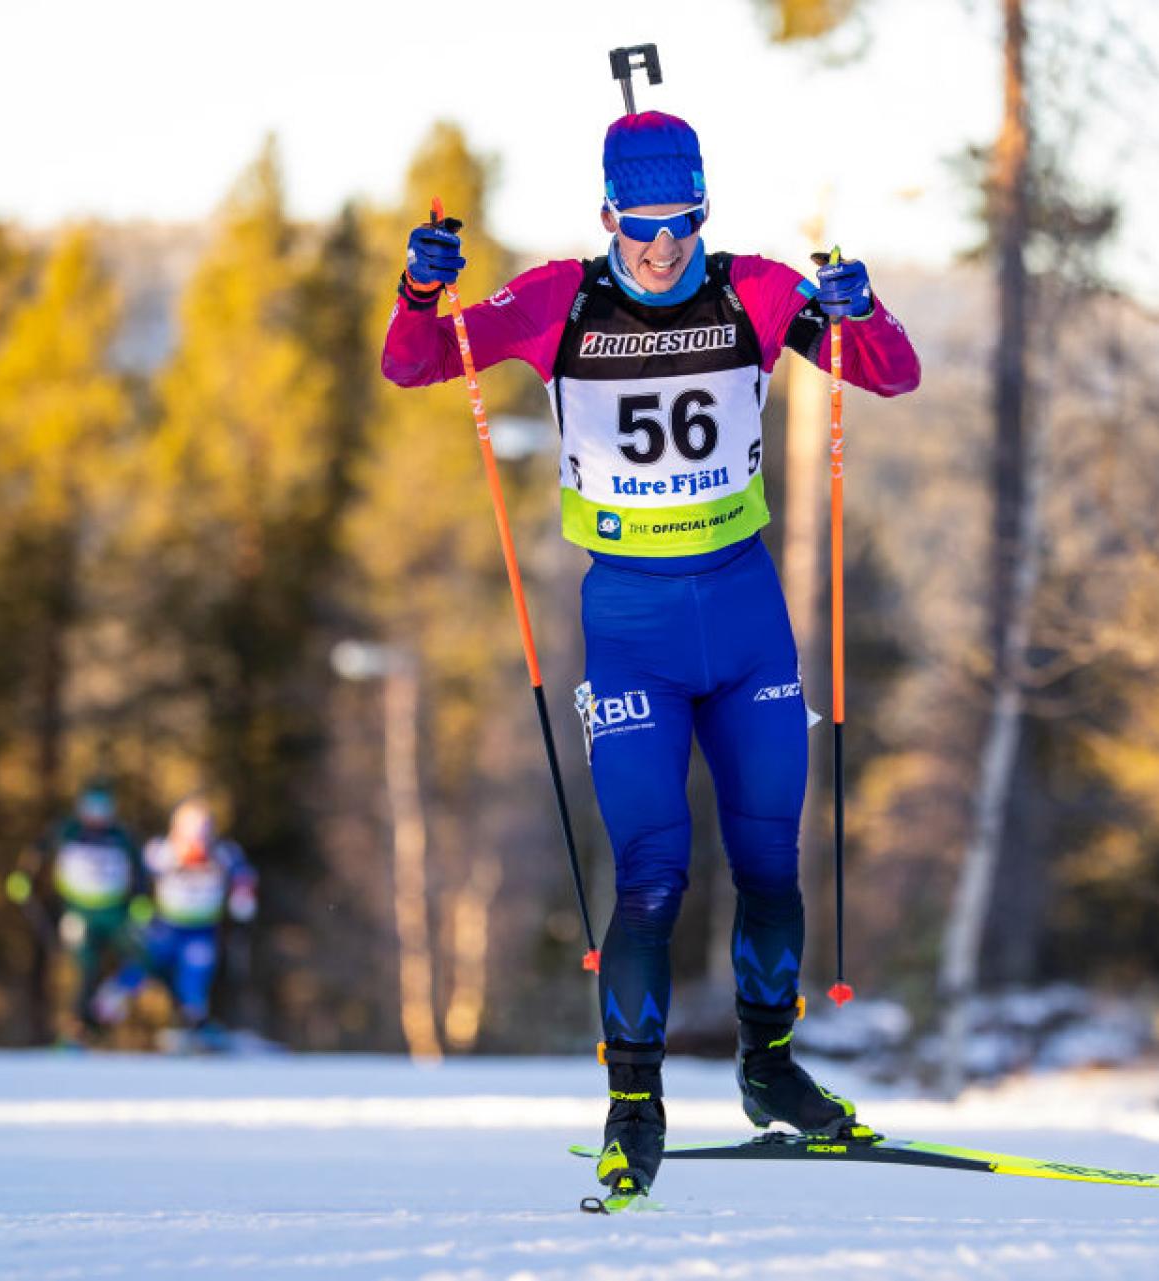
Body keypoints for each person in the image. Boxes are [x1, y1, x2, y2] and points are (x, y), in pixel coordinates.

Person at [382, 109, 920, 1201]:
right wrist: (420, 292)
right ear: (607, 217)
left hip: (747, 614)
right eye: (641, 227)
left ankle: (769, 1073)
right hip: (629, 630)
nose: (662, 248)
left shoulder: (756, 292)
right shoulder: (554, 302)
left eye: (681, 223)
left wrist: (863, 309)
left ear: (704, 211)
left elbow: (890, 374)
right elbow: (416, 364)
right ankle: (635, 1104)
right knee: (653, 875)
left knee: (772, 862)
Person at [94, 798, 256, 1036]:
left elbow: (243, 876)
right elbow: (136, 875)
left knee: (196, 975)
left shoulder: (223, 853)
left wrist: (242, 898)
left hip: (202, 929)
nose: (198, 842)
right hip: (165, 925)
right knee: (143, 963)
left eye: (203, 832)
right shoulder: (162, 852)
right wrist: (138, 904)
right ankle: (104, 1007)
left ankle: (195, 1022)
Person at [6, 780, 145, 1040]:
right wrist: (24, 876)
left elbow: (139, 868)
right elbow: (38, 849)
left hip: (115, 911)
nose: (97, 814)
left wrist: (140, 899)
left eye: (103, 808)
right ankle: (77, 1027)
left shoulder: (121, 835)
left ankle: (108, 1001)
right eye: (92, 807)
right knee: (84, 967)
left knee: (141, 958)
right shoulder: (68, 830)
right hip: (78, 911)